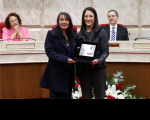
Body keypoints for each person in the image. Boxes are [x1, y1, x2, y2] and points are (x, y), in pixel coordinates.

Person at [39, 12, 76, 99]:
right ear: (58, 22)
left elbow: (74, 50)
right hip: (56, 74)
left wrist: (79, 51)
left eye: (66, 20)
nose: (64, 22)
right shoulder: (51, 34)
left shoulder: (73, 35)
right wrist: (65, 59)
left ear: (69, 22)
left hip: (68, 74)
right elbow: (50, 52)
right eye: (61, 20)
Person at [76, 7, 109, 99]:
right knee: (86, 96)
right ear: (83, 18)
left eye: (91, 16)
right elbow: (76, 53)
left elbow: (105, 52)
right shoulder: (79, 34)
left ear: (95, 18)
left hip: (98, 69)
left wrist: (98, 60)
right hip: (84, 70)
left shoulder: (102, 32)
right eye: (86, 16)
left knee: (100, 96)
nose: (88, 18)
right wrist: (77, 50)